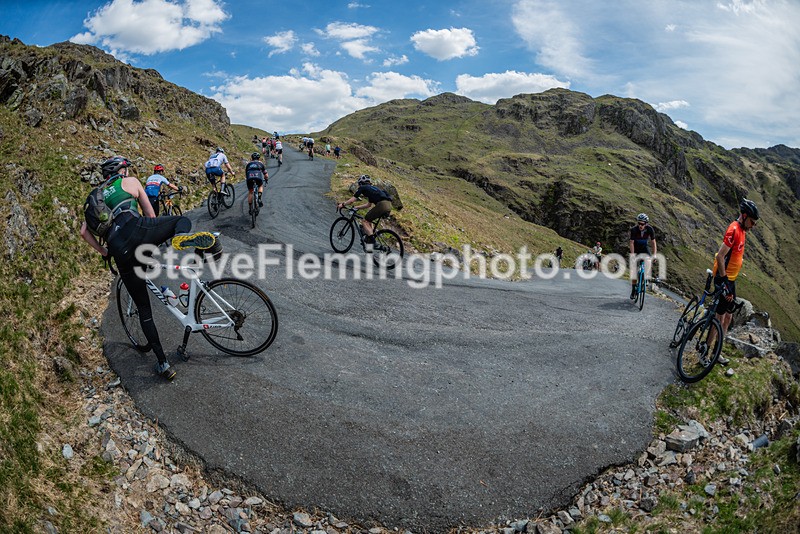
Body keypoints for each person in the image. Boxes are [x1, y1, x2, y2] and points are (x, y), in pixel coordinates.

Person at [79, 156, 221, 381]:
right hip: (137, 229)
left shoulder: (94, 197)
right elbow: (151, 215)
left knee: (144, 310)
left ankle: (163, 364)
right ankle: (184, 238)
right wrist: (152, 239)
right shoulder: (130, 182)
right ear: (121, 170)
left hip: (118, 250)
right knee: (177, 221)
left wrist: (105, 253)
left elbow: (84, 232)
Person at [707, 199, 760, 364]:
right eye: (752, 222)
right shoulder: (734, 229)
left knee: (728, 317)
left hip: (731, 279)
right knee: (719, 318)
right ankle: (705, 351)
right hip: (724, 279)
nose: (753, 226)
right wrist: (723, 281)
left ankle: (717, 352)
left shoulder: (743, 230)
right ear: (744, 216)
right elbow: (721, 256)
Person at [337, 175, 393, 247]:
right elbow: (368, 205)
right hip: (388, 205)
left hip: (382, 205)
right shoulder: (373, 189)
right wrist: (356, 207)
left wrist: (342, 204)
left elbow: (352, 200)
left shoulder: (362, 188)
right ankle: (370, 238)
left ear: (360, 183)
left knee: (364, 221)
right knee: (369, 220)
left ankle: (372, 241)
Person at [629, 213, 657, 299]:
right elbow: (631, 243)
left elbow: (653, 242)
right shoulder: (634, 230)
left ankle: (645, 277)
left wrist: (654, 254)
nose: (640, 225)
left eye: (642, 224)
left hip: (644, 248)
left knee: (649, 261)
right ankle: (633, 290)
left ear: (646, 224)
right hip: (636, 249)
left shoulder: (650, 229)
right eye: (639, 223)